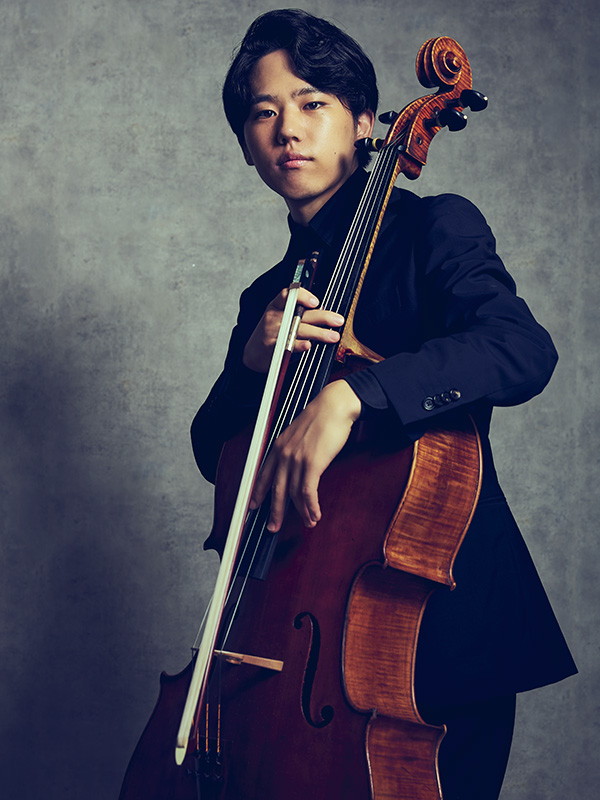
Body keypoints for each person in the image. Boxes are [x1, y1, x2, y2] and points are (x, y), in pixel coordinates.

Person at [191, 9, 576, 799]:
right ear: (245, 145)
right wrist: (251, 365)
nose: (287, 129)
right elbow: (215, 452)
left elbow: (519, 348)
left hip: (437, 638)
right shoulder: (268, 297)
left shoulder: (434, 228)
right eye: (263, 113)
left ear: (364, 122)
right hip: (295, 651)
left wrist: (353, 393)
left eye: (312, 103)